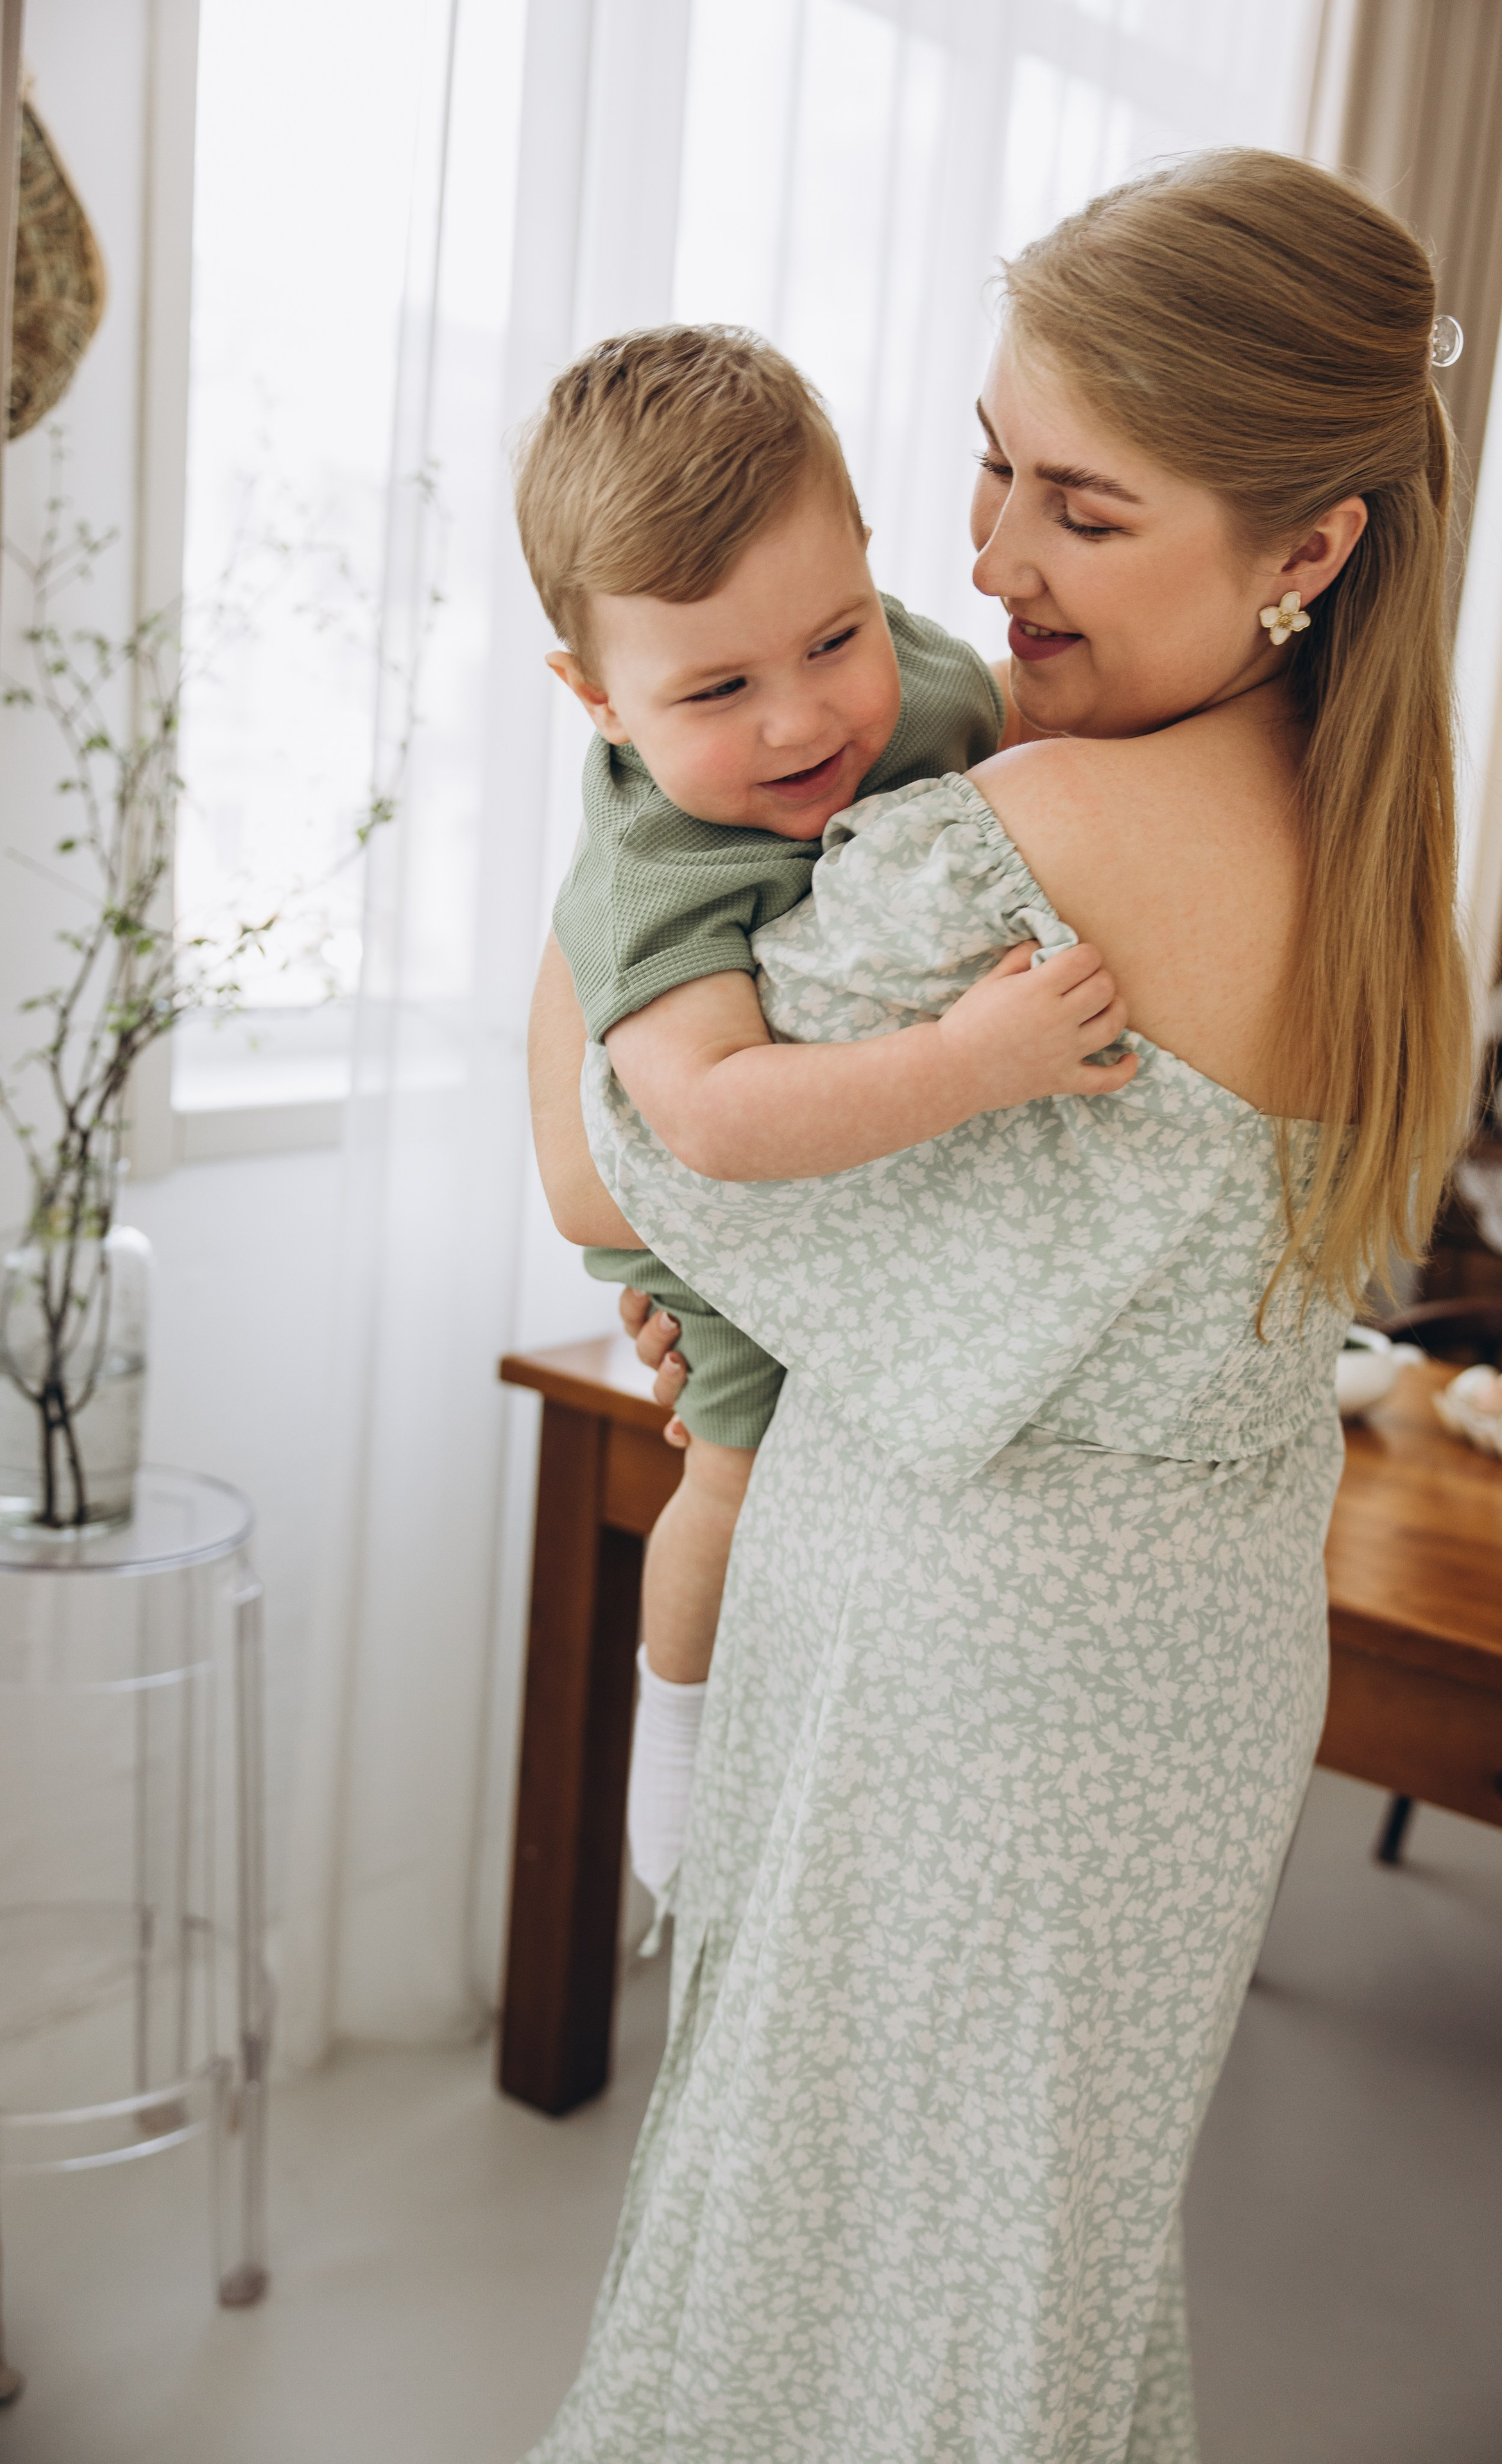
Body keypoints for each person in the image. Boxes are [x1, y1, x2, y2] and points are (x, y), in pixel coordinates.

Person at [523, 149, 1474, 2464]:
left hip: (967, 1677)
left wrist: (622, 788)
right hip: (1200, 1661)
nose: (979, 556)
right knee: (1017, 2282)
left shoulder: (1024, 834)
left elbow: (606, 1150)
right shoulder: (1369, 846)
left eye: (1080, 505)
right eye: (981, 457)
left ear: (1307, 547)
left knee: (828, 2269)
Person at [518, 325, 1134, 1898]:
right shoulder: (661, 865)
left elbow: (1006, 739)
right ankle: (677, 1728)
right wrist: (975, 1063)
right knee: (727, 1473)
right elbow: (705, 1121)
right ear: (595, 698)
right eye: (717, 688)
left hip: (922, 1245)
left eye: (830, 639)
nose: (802, 723)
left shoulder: (911, 671)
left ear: (865, 561)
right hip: (724, 1247)